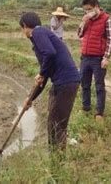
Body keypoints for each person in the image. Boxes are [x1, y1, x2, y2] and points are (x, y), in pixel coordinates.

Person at [21, 12, 80, 151]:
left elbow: (50, 54)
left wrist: (41, 73)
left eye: (22, 29)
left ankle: (57, 163)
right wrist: (30, 99)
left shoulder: (38, 32)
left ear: (24, 26)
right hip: (62, 82)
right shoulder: (41, 41)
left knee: (56, 125)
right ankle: (56, 157)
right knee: (54, 123)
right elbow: (44, 77)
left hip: (66, 81)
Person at [78, 0, 111, 121]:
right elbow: (79, 34)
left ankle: (99, 112)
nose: (87, 12)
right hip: (85, 57)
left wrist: (106, 57)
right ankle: (86, 107)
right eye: (85, 10)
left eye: (89, 9)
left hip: (98, 58)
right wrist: (83, 21)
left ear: (96, 7)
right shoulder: (87, 20)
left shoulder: (107, 19)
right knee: (85, 83)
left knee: (99, 85)